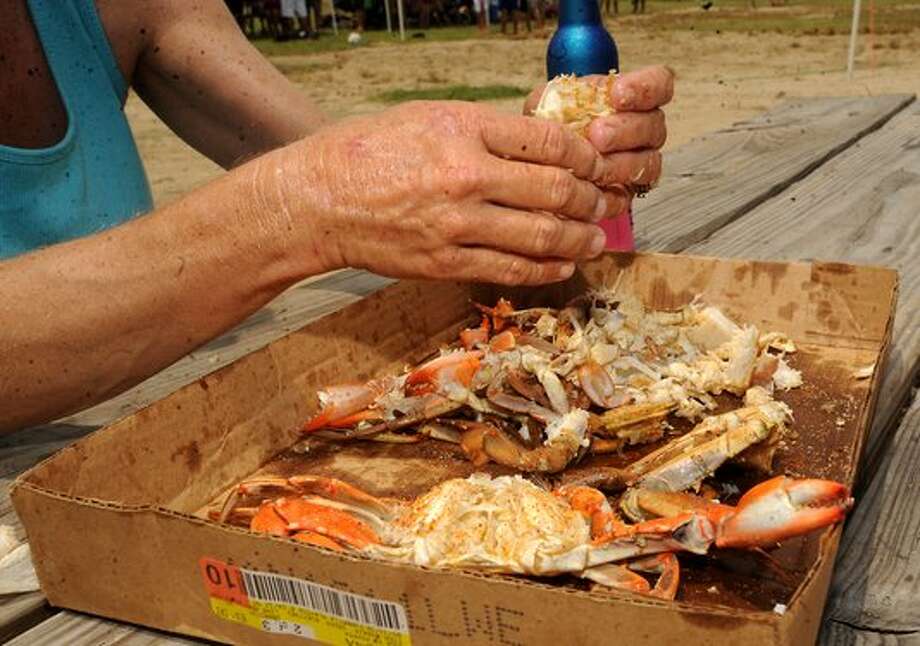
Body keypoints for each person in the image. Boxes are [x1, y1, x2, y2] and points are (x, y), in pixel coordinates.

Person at [0, 0, 672, 433]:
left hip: (139, 427)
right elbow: (315, 191)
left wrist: (510, 174)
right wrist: (301, 205)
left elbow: (335, 160)